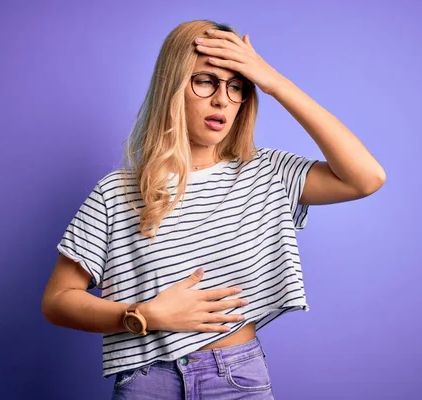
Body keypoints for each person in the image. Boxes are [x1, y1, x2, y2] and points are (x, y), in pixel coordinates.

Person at [41, 19, 385, 400]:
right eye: (205, 81)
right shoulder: (118, 192)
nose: (222, 99)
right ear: (172, 86)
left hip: (236, 379)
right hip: (146, 383)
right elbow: (58, 301)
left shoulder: (267, 172)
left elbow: (365, 177)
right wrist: (143, 315)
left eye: (236, 86)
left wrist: (273, 81)